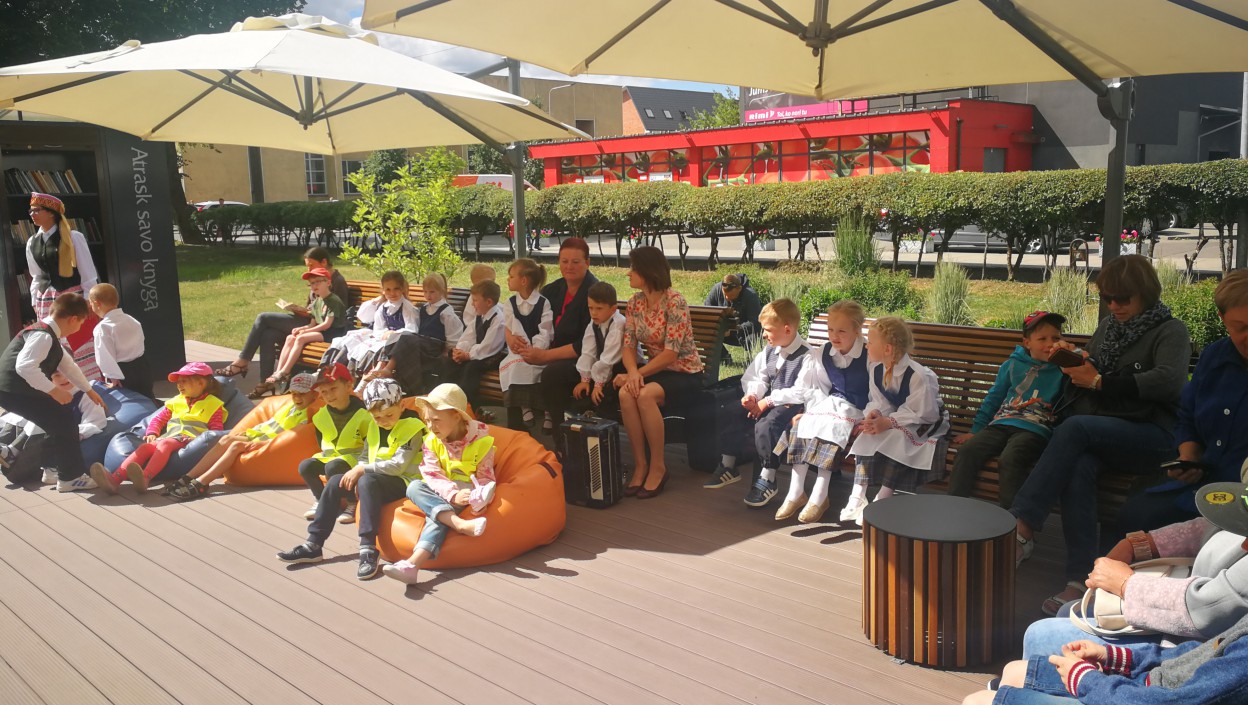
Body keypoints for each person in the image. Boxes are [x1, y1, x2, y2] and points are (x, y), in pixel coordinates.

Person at [968, 478, 1248, 705]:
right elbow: (1202, 654)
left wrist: (1086, 680)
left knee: (985, 691)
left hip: (1144, 689)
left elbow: (1204, 617)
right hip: (1156, 676)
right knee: (1018, 664)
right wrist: (1118, 658)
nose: (1242, 544)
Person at [1011, 256, 1191, 593]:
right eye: (1107, 298)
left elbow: (1168, 382)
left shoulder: (1171, 331)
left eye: (1122, 298)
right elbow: (1093, 364)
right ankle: (1082, 578)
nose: (1114, 306)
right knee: (1078, 466)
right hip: (1106, 432)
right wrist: (1076, 358)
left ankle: (1023, 524)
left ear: (1145, 292)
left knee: (1075, 428)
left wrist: (1100, 382)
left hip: (1154, 435)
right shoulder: (1109, 327)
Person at [1020, 464, 1248, 655]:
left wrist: (1125, 583)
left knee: (1039, 636)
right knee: (1069, 612)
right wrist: (1135, 545)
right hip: (1182, 622)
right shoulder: (1239, 519)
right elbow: (1210, 527)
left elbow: (1206, 610)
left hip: (1199, 652)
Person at [1114, 269, 1248, 537]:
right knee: (1133, 518)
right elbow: (1187, 417)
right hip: (1202, 485)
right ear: (1222, 319)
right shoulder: (1214, 357)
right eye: (1241, 327)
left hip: (1240, 504)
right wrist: (1188, 456)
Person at [278, 378, 429, 580]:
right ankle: (313, 544)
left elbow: (398, 466)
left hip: (404, 481)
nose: (383, 421)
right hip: (376, 479)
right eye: (377, 417)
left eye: (389, 415)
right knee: (335, 482)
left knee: (366, 480)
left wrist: (361, 470)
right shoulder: (374, 425)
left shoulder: (413, 427)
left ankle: (368, 548)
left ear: (401, 405)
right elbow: (366, 455)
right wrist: (359, 469)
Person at [964, 614, 1248, 705]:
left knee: (976, 702)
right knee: (1013, 670)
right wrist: (1117, 657)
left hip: (1139, 697)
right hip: (1140, 687)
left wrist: (1085, 679)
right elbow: (1196, 654)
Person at [948, 311, 1068, 509]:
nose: (1050, 344)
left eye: (1056, 338)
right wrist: (976, 430)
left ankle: (1012, 519)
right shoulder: (1012, 365)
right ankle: (954, 509)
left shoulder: (1065, 369)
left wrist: (1072, 356)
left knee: (1011, 458)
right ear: (1027, 343)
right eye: (1042, 339)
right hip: (1002, 423)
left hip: (1035, 429)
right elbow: (994, 397)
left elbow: (1087, 371)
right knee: (968, 451)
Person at [615, 246, 705, 499]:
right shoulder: (635, 302)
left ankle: (658, 466)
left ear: (648, 271)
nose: (628, 273)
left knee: (645, 395)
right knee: (625, 394)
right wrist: (633, 373)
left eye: (633, 268)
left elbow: (671, 354)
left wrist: (638, 374)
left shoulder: (675, 302)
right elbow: (628, 346)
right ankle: (640, 464)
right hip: (656, 371)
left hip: (685, 373)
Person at [382, 383, 492, 586]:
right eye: (427, 420)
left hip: (465, 491)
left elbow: (486, 479)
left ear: (456, 417)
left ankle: (412, 565)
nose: (431, 426)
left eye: (436, 420)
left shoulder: (482, 442)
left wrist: (479, 499)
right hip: (441, 490)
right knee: (414, 487)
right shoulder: (431, 441)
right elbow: (430, 473)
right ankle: (459, 524)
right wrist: (451, 494)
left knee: (437, 517)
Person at [843, 317, 950, 524]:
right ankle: (857, 494)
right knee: (869, 432)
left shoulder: (918, 375)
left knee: (898, 437)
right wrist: (875, 414)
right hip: (899, 416)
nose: (866, 346)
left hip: (926, 421)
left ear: (888, 349)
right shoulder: (876, 368)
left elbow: (925, 412)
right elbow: (879, 400)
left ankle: (883, 495)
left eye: (870, 342)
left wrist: (890, 422)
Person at [772, 300, 871, 523]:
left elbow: (877, 392)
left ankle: (819, 494)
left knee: (833, 426)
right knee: (803, 423)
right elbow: (819, 389)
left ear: (857, 330)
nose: (834, 336)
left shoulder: (868, 355)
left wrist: (868, 418)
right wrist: (811, 413)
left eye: (842, 331)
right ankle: (795, 492)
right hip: (833, 405)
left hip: (860, 408)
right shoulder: (824, 353)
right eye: (830, 329)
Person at [705, 299, 809, 509]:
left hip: (792, 405)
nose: (763, 335)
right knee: (731, 411)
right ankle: (728, 464)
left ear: (787, 329)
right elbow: (758, 377)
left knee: (766, 425)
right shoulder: (770, 351)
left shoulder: (806, 355)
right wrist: (753, 396)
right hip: (767, 401)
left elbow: (801, 391)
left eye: (768, 330)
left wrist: (767, 401)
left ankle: (768, 476)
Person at [0, 292, 105, 492]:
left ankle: (16, 455)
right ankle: (70, 477)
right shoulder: (44, 336)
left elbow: (69, 366)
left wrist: (89, 390)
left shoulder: (47, 333)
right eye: (81, 323)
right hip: (14, 389)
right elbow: (24, 367)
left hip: (10, 389)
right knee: (64, 421)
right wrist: (54, 390)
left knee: (57, 422)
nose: (80, 327)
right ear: (73, 319)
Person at [166, 372, 321, 501]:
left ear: (315, 393)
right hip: (259, 436)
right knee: (226, 439)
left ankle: (202, 483)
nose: (297, 398)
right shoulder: (290, 407)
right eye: (294, 394)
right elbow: (271, 423)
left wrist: (265, 443)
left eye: (302, 394)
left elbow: (291, 438)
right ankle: (188, 477)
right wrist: (248, 432)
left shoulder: (310, 413)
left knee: (235, 446)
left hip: (270, 442)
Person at [91, 362, 225, 494]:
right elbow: (159, 419)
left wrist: (201, 441)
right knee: (145, 447)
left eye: (184, 381)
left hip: (191, 439)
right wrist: (152, 433)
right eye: (178, 382)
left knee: (165, 444)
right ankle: (115, 480)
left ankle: (145, 477)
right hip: (171, 437)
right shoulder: (176, 401)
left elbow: (216, 432)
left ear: (201, 383)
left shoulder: (213, 404)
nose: (179, 385)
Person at [217, 246, 349, 380]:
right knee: (268, 335)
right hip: (309, 320)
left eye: (311, 265)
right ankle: (266, 382)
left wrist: (309, 318)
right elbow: (312, 305)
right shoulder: (316, 279)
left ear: (324, 262)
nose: (309, 270)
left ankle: (243, 361)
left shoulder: (335, 281)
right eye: (307, 267)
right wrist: (300, 310)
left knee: (263, 318)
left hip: (322, 326)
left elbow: (341, 310)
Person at [526, 238, 598, 432]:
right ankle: (518, 426)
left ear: (587, 262)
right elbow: (534, 321)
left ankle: (561, 431)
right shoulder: (552, 290)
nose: (569, 267)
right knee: (515, 362)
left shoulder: (594, 292)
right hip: (547, 351)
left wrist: (546, 356)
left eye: (575, 262)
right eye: (564, 261)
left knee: (553, 373)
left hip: (582, 360)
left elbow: (587, 344)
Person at [250, 267, 347, 398]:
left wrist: (306, 332)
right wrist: (302, 329)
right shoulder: (317, 302)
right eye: (311, 283)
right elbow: (312, 324)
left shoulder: (333, 300)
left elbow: (326, 325)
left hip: (333, 334)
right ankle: (278, 372)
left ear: (328, 282)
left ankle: (285, 371)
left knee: (301, 339)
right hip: (322, 332)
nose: (314, 285)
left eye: (318, 282)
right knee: (291, 337)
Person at [0, 371, 107, 483]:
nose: (64, 378)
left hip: (57, 439)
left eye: (68, 374)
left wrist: (72, 432)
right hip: (35, 434)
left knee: (46, 420)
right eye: (57, 375)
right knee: (18, 418)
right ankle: (8, 451)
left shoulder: (85, 396)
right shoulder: (47, 394)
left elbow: (95, 423)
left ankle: (11, 453)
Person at [365, 272, 463, 394]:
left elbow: (453, 336)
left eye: (432, 292)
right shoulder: (425, 308)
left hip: (434, 346)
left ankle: (389, 369)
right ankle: (385, 372)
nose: (428, 295)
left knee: (406, 337)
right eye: (425, 292)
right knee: (399, 337)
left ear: (442, 291)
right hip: (420, 344)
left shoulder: (446, 312)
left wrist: (446, 352)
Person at [297, 363, 371, 520]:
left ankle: (352, 502)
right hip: (331, 458)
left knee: (333, 466)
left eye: (333, 389)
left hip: (356, 461)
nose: (329, 395)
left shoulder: (365, 414)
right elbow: (321, 442)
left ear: (349, 386)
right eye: (324, 391)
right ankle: (321, 499)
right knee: (305, 466)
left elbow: (371, 446)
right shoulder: (320, 416)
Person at [324, 270, 416, 378]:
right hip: (382, 338)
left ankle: (355, 378)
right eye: (388, 289)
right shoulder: (383, 307)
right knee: (352, 344)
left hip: (397, 343)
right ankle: (330, 370)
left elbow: (412, 329)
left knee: (371, 349)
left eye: (396, 288)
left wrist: (394, 333)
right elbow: (378, 328)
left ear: (402, 288)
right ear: (383, 291)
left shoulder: (407, 308)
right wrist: (384, 333)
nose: (392, 293)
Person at [25, 193, 98, 321]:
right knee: (50, 333)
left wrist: (88, 298)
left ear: (51, 213)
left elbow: (87, 272)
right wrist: (34, 300)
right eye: (31, 211)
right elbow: (37, 275)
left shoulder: (73, 237)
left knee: (74, 332)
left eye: (37, 210)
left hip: (71, 298)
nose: (32, 214)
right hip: (45, 299)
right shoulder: (32, 242)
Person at [499, 258, 553, 428]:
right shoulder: (510, 304)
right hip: (520, 350)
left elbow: (545, 330)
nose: (508, 279)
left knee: (541, 369)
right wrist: (520, 348)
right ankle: (524, 406)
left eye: (511, 276)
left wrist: (535, 350)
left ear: (524, 281)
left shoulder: (543, 303)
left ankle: (547, 411)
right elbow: (512, 328)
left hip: (539, 350)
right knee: (516, 366)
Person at [448, 280, 506, 421]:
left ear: (489, 302)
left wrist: (468, 355)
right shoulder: (480, 316)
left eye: (475, 300)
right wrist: (459, 351)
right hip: (478, 353)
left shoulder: (498, 320)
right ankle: (448, 402)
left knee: (471, 368)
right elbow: (469, 336)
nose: (472, 304)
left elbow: (490, 346)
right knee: (449, 363)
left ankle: (469, 409)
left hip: (493, 355)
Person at [87, 283, 152, 399]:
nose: (91, 306)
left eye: (91, 303)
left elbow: (105, 356)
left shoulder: (103, 328)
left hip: (122, 372)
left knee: (130, 401)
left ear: (97, 304)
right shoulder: (132, 320)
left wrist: (113, 377)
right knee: (147, 396)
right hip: (142, 366)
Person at [572, 281, 628, 414]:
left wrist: (598, 384)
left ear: (613, 309)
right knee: (578, 394)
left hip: (621, 368)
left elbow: (609, 357)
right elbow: (588, 350)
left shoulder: (618, 325)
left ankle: (606, 424)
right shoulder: (594, 322)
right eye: (590, 308)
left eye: (599, 308)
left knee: (602, 398)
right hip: (604, 367)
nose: (594, 313)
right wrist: (585, 379)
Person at [704, 273, 762, 353]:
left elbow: (755, 322)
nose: (727, 298)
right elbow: (708, 311)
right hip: (722, 330)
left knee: (752, 337)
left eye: (731, 295)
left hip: (742, 332)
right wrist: (720, 328)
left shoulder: (751, 296)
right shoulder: (717, 289)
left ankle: (751, 359)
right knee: (705, 334)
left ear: (739, 289)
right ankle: (724, 357)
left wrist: (733, 329)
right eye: (725, 295)